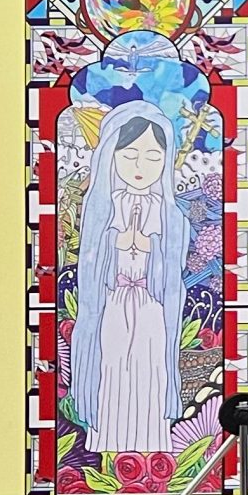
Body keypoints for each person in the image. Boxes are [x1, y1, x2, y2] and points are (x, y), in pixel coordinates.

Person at [70, 100, 191, 459]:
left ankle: (150, 442)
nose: (141, 167)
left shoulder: (171, 215)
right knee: (113, 366)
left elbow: (173, 272)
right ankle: (109, 440)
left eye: (153, 157)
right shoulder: (102, 208)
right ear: (112, 155)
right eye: (130, 155)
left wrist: (152, 247)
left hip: (151, 308)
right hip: (113, 304)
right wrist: (115, 243)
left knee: (148, 368)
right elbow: (91, 264)